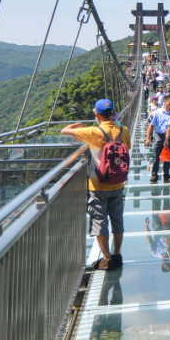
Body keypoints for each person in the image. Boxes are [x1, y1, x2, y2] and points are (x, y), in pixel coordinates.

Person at [62, 98, 131, 270]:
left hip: (97, 185)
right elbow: (126, 148)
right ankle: (117, 254)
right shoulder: (124, 130)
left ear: (97, 114)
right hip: (118, 183)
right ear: (113, 113)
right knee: (117, 219)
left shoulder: (93, 132)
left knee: (99, 220)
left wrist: (78, 124)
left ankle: (107, 258)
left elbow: (65, 131)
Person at [146, 96, 170, 184]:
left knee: (167, 155)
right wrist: (148, 138)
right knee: (156, 155)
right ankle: (154, 173)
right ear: (165, 102)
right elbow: (151, 125)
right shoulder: (158, 112)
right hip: (159, 135)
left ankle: (166, 174)